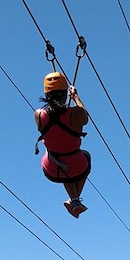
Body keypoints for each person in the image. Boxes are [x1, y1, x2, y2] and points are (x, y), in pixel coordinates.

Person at [35, 71, 90, 217]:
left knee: (63, 161)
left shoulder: (39, 114)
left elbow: (44, 128)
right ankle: (74, 200)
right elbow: (85, 117)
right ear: (65, 93)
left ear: (46, 94)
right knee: (83, 157)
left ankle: (75, 201)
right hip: (76, 165)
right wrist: (75, 97)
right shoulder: (76, 113)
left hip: (51, 167)